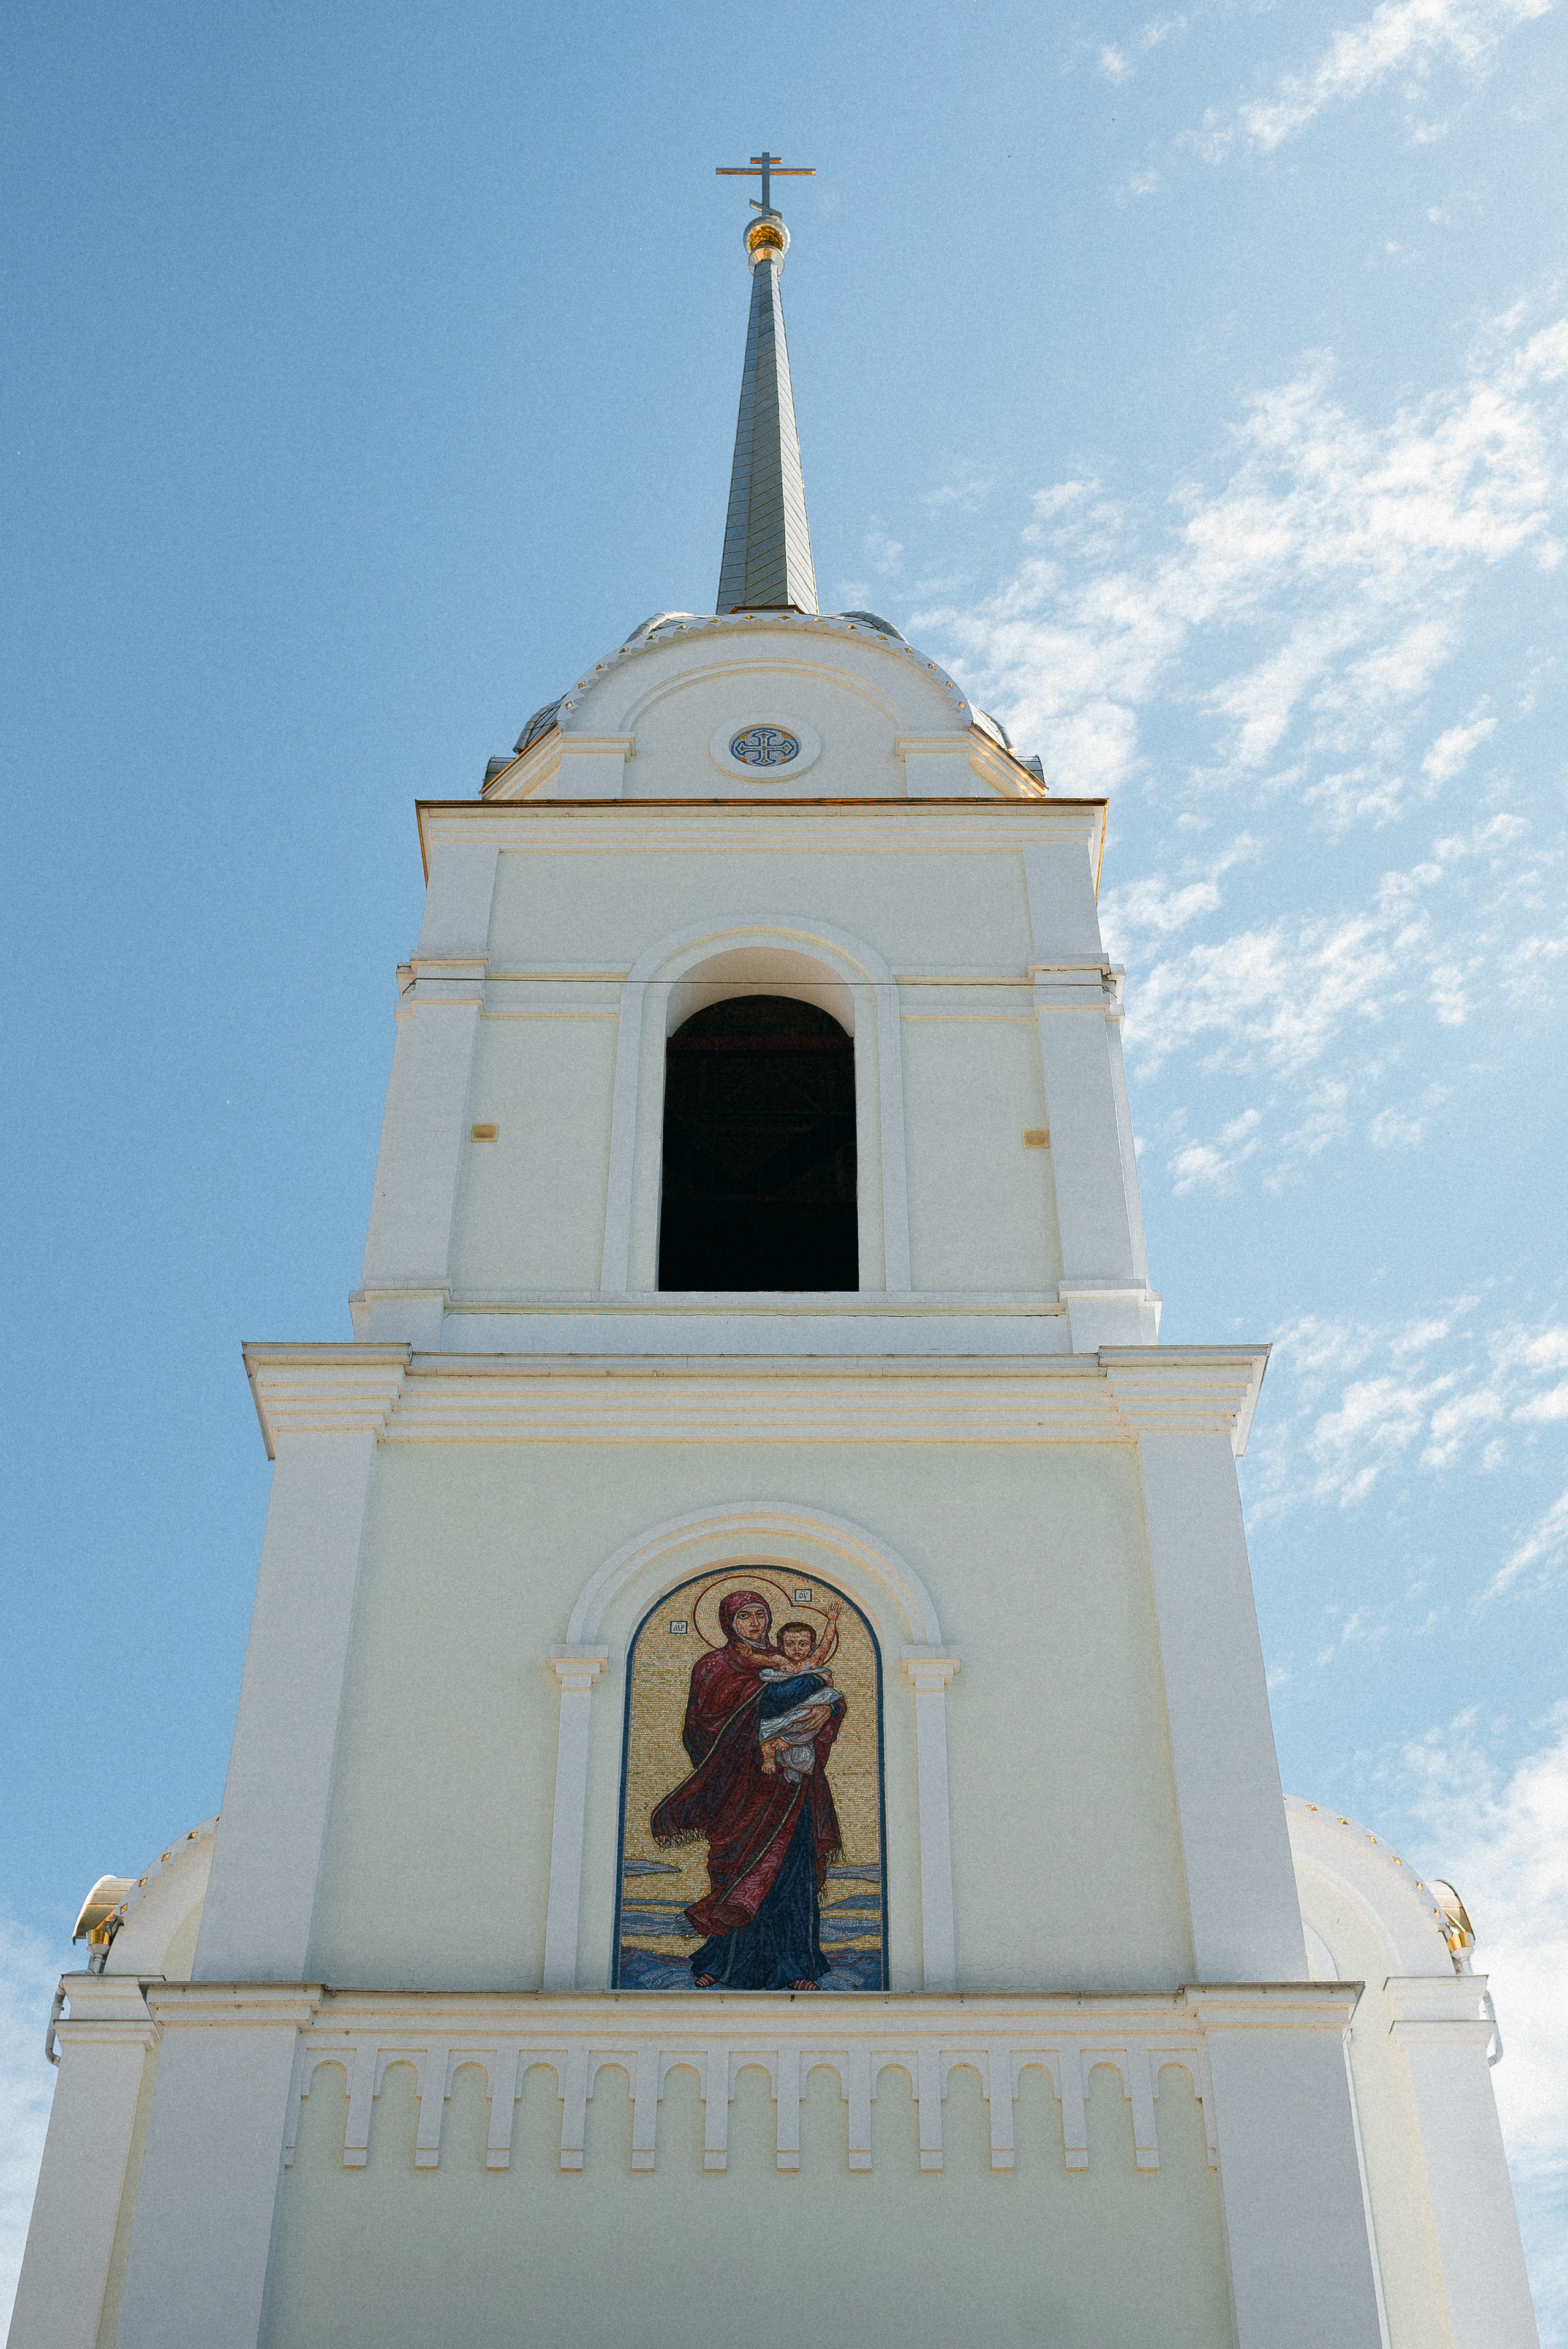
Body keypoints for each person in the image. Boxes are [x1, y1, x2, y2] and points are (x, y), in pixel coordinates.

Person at [650, 1589, 846, 1992]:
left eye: (760, 1615)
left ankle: (797, 1966)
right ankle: (722, 1964)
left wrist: (828, 1706)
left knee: (791, 1876)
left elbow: (819, 1701)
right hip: (738, 1791)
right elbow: (707, 1725)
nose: (755, 1624)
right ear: (728, 1622)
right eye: (744, 1617)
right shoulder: (714, 1666)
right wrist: (814, 1684)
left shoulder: (785, 1657)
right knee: (734, 1873)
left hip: (790, 1790)